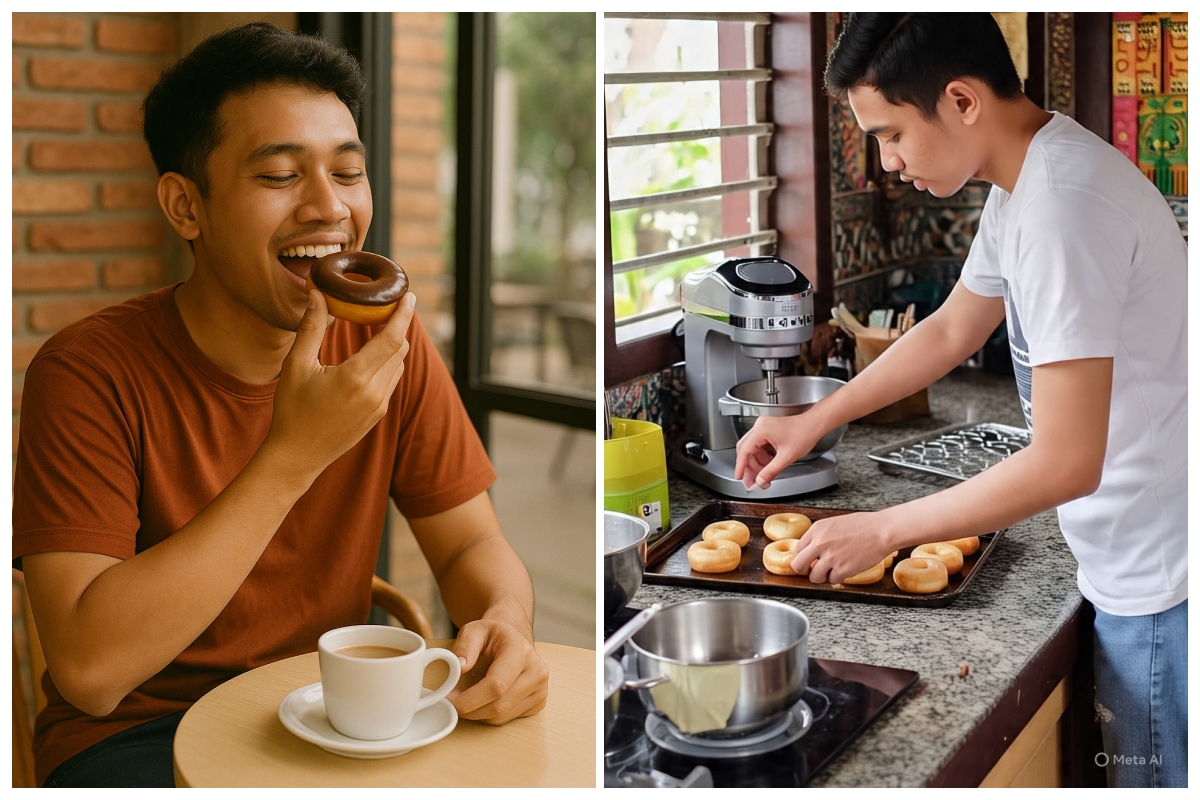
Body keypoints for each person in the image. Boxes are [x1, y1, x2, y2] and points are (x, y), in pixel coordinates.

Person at [13, 23, 547, 788]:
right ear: (185, 206)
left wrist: (506, 622)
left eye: (348, 171)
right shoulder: (87, 372)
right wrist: (294, 453)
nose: (329, 207)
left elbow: (469, 547)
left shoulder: (384, 348)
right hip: (138, 737)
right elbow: (90, 672)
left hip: (329, 713)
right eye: (279, 176)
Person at [734, 13, 1185, 789]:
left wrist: (884, 529)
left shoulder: (1062, 209)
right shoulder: (1034, 175)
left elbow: (1068, 463)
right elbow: (951, 330)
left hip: (1162, 585)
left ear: (963, 100)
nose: (888, 162)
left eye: (891, 134)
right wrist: (817, 416)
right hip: (1145, 554)